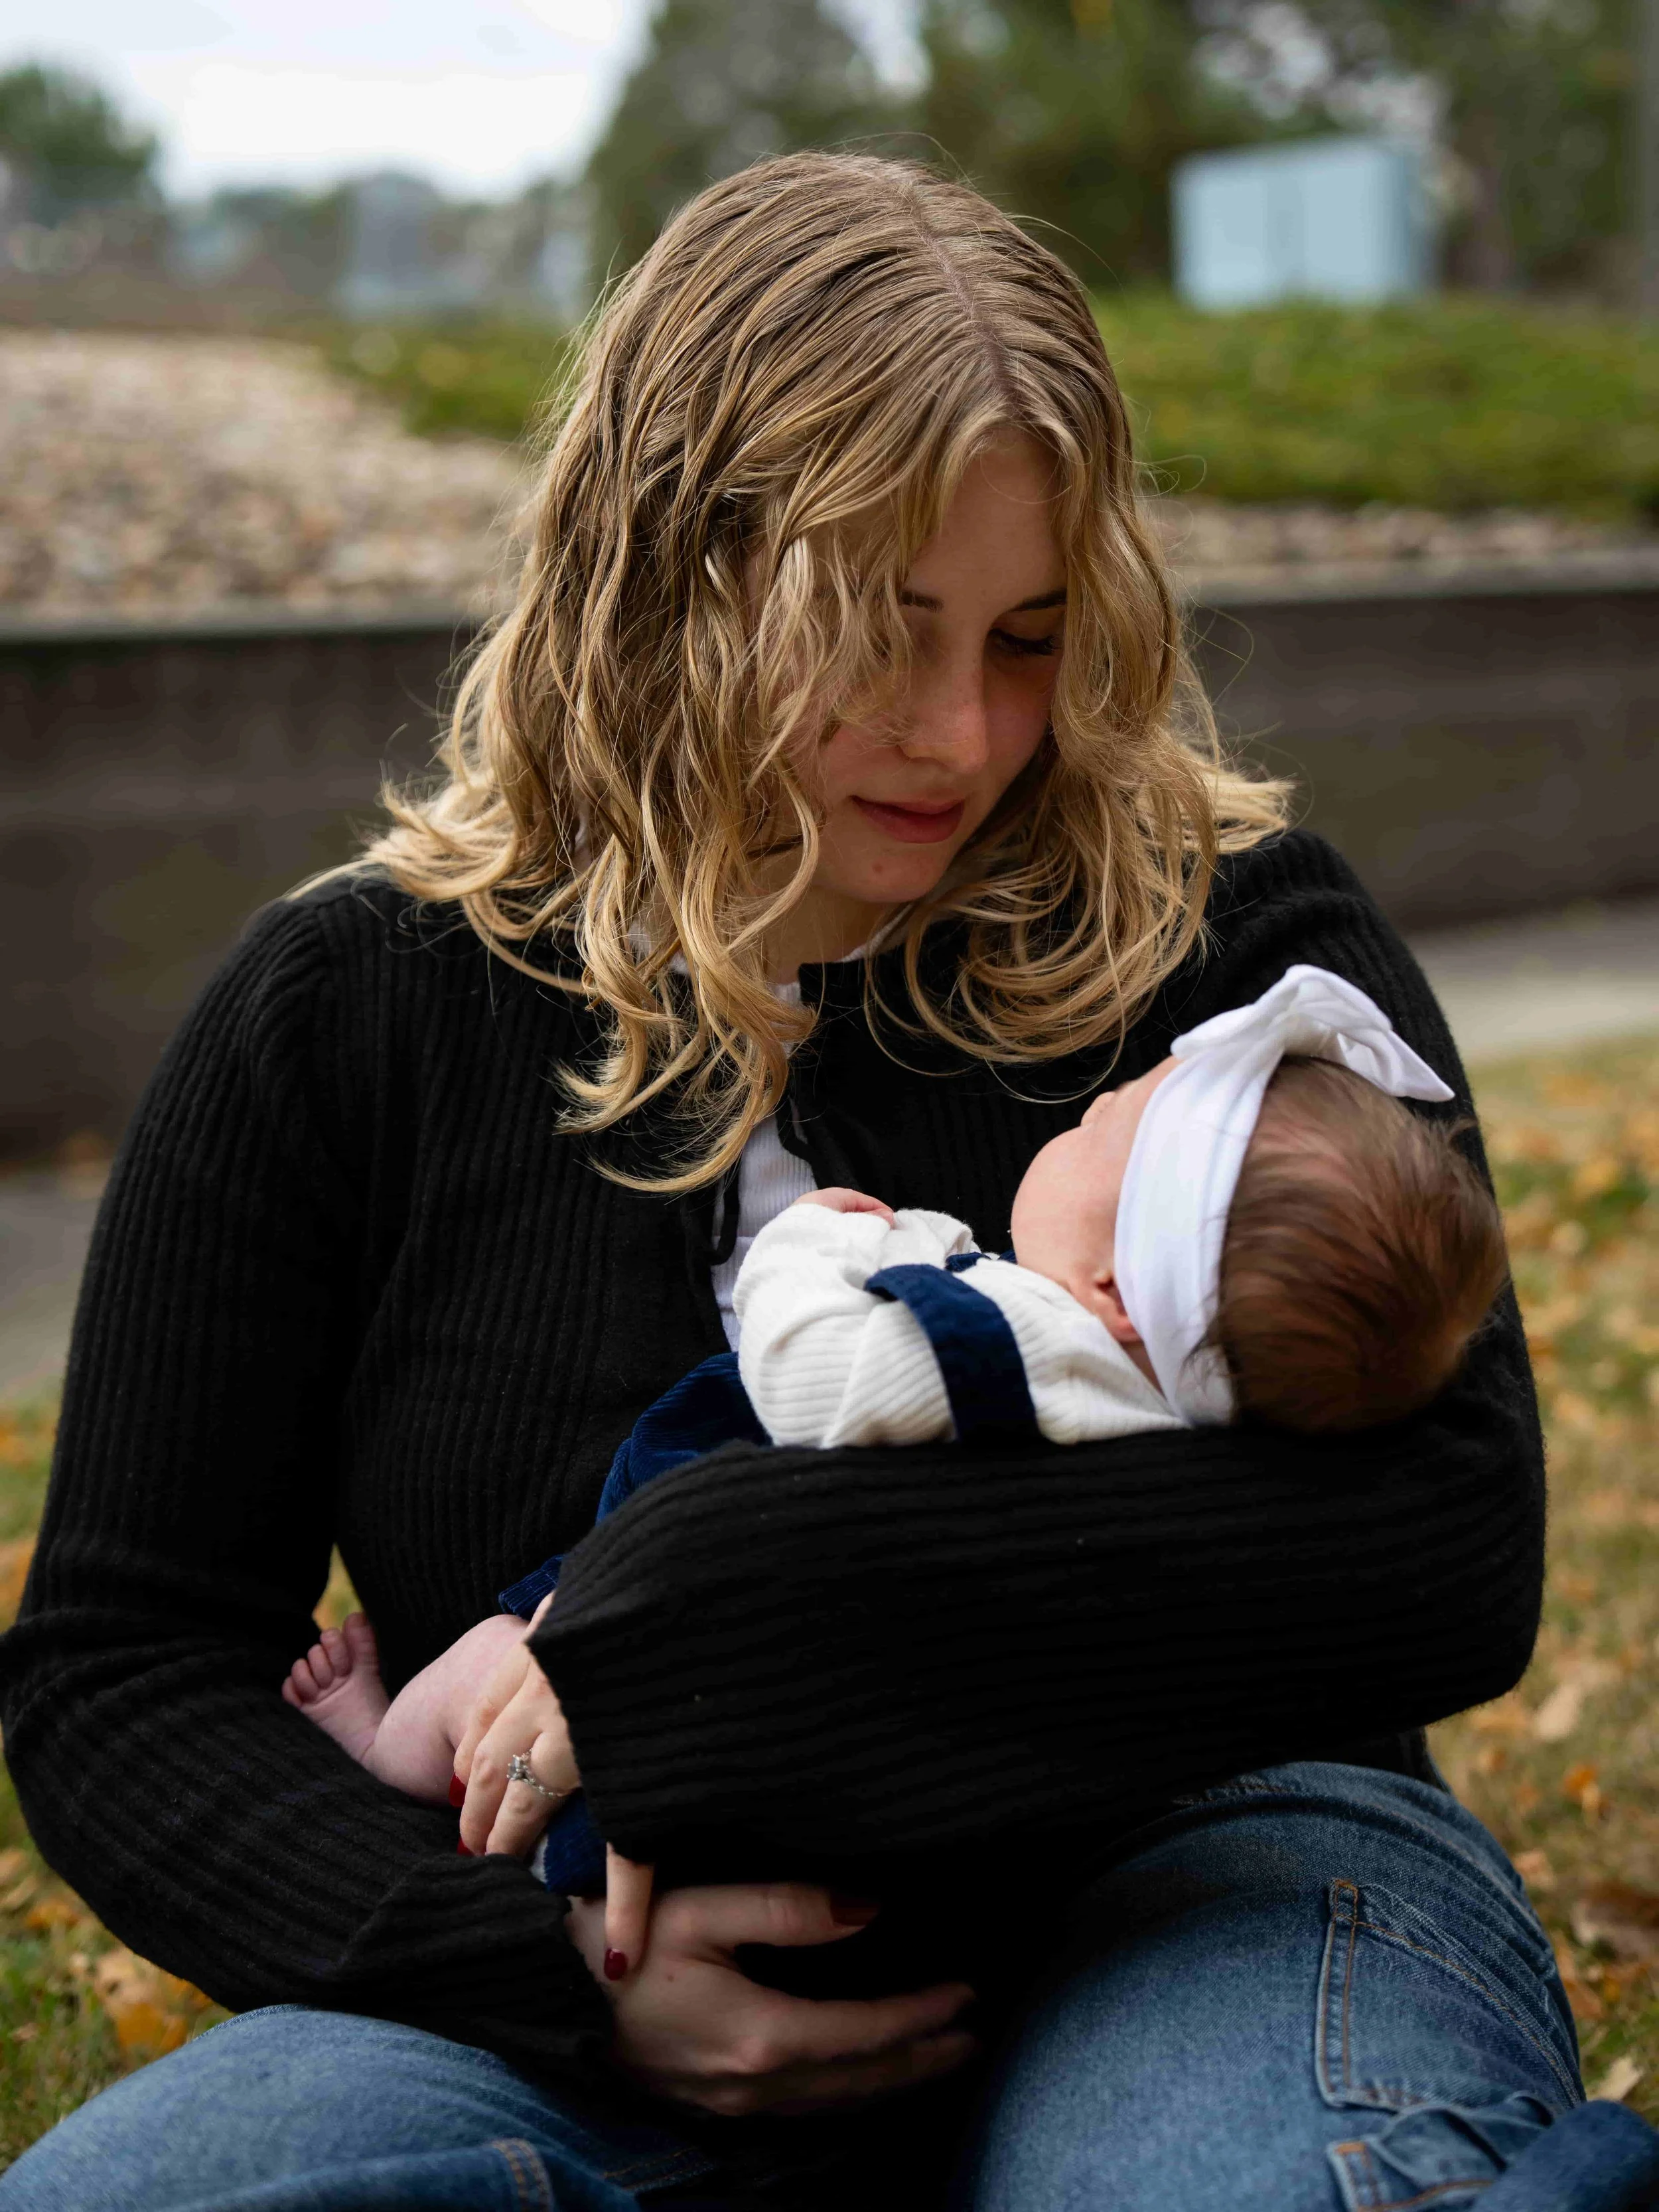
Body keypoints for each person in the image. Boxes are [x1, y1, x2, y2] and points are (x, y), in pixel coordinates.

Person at [3, 151, 1654, 2211]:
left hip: (1200, 1879)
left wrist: (684, 1618)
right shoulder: (353, 1009)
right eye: (879, 630)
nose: (960, 731)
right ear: (667, 571)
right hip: (568, 1974)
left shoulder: (1230, 955)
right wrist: (552, 1968)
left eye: (1031, 637)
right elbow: (122, 1670)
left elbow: (1444, 1529)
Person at [281, 964, 1512, 1935]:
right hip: (885, 1784)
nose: (1083, 1115)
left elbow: (819, 1378)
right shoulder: (1151, 1418)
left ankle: (380, 1744)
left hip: (675, 1737)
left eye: (1104, 1125)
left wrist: (812, 1247)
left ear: (1124, 1292)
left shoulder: (1024, 1345)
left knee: (493, 1662)